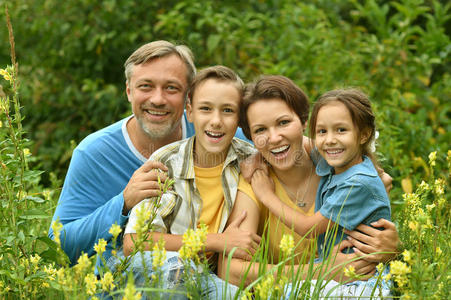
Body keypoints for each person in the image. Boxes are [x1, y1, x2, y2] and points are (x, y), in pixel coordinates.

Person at [48, 41, 250, 268]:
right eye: (145, 86)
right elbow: (57, 247)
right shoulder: (95, 153)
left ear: (188, 98)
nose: (157, 99)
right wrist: (123, 203)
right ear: (128, 91)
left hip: (216, 273)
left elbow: (276, 142)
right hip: (133, 281)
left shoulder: (219, 134)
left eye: (171, 88)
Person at [218, 76, 399, 293]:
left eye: (284, 122)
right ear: (251, 138)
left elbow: (374, 196)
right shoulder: (256, 183)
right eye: (260, 130)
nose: (274, 137)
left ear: (304, 122)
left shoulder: (336, 166)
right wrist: (322, 272)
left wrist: (392, 249)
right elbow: (231, 270)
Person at [122, 65, 261, 299]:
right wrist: (218, 241)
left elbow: (297, 142)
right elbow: (134, 242)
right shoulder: (166, 162)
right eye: (205, 109)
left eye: (227, 110)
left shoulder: (250, 159)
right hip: (166, 265)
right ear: (190, 111)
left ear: (240, 118)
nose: (216, 121)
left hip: (212, 275)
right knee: (176, 273)